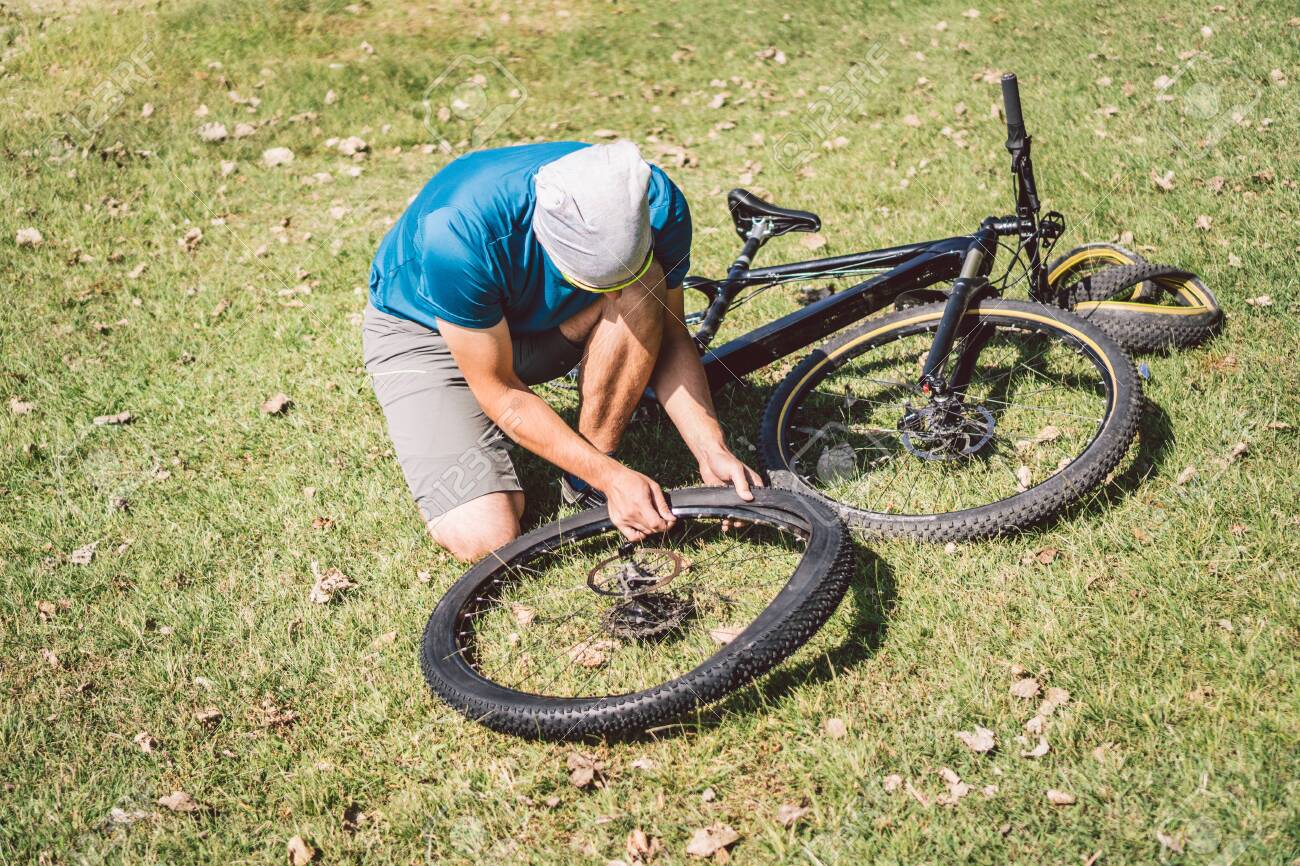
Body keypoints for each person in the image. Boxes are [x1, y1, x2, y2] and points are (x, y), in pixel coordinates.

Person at [363, 140, 761, 561]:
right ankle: (556, 457)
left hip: (538, 322)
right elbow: (500, 389)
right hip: (427, 335)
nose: (612, 297)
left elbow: (672, 335)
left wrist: (711, 448)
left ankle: (585, 477)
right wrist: (614, 479)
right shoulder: (457, 234)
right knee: (484, 536)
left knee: (644, 289)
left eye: (615, 284)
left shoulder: (655, 200)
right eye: (595, 286)